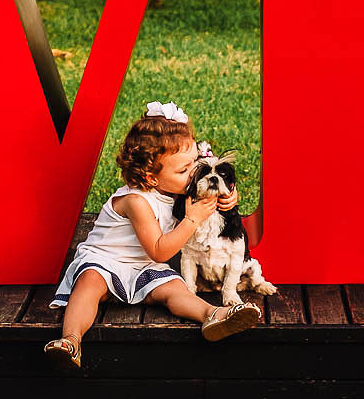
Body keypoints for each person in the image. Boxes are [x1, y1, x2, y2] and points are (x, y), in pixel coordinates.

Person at [44, 101, 261, 370]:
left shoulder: (179, 187)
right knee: (88, 286)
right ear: (151, 177)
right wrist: (192, 219)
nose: (195, 171)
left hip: (143, 268)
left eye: (195, 162)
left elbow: (215, 182)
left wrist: (229, 196)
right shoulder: (136, 201)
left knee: (174, 290)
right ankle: (71, 340)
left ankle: (213, 315)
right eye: (184, 170)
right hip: (106, 262)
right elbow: (159, 250)